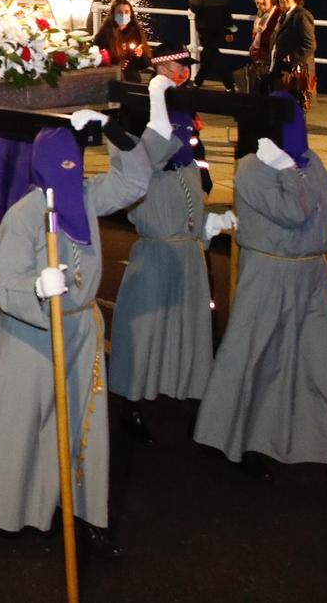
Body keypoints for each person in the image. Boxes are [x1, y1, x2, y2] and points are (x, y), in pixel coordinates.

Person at [0, 107, 174, 558]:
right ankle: (10, 510)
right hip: (32, 336)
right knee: (25, 426)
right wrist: (37, 288)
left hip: (80, 331)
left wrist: (115, 130)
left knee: (83, 426)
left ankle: (82, 514)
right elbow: (3, 285)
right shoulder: (24, 215)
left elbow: (136, 181)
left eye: (75, 165)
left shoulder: (87, 196)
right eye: (61, 166)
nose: (70, 174)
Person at [193, 101, 327, 493]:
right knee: (256, 360)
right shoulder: (252, 167)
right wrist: (287, 170)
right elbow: (292, 211)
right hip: (269, 273)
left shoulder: (308, 160)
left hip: (312, 275)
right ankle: (239, 442)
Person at [107, 51, 226, 442]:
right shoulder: (140, 106)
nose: (181, 77)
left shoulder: (184, 114)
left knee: (189, 328)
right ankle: (132, 402)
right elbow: (135, 159)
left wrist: (209, 221)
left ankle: (190, 394)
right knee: (144, 329)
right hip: (157, 246)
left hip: (187, 246)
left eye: (185, 72)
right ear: (161, 68)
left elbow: (199, 165)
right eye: (176, 71)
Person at [269, 0, 316, 105]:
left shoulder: (301, 15)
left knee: (295, 108)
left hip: (296, 72)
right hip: (283, 70)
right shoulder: (283, 16)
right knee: (284, 108)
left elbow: (310, 44)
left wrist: (291, 58)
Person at [189, 0, 234, 87]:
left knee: (212, 53)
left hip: (204, 27)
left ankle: (229, 81)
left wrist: (191, 1)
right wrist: (229, 30)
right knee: (207, 54)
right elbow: (226, 10)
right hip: (218, 27)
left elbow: (195, 8)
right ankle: (198, 81)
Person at [94, 0, 151, 79]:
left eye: (127, 12)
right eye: (119, 12)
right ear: (113, 14)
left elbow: (145, 64)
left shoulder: (136, 32)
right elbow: (97, 61)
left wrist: (141, 55)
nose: (123, 15)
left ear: (131, 14)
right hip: (111, 77)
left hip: (132, 78)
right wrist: (116, 66)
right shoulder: (103, 35)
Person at [244, 0, 278, 96]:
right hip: (258, 60)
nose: (259, 1)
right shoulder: (260, 15)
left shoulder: (278, 16)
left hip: (270, 62)